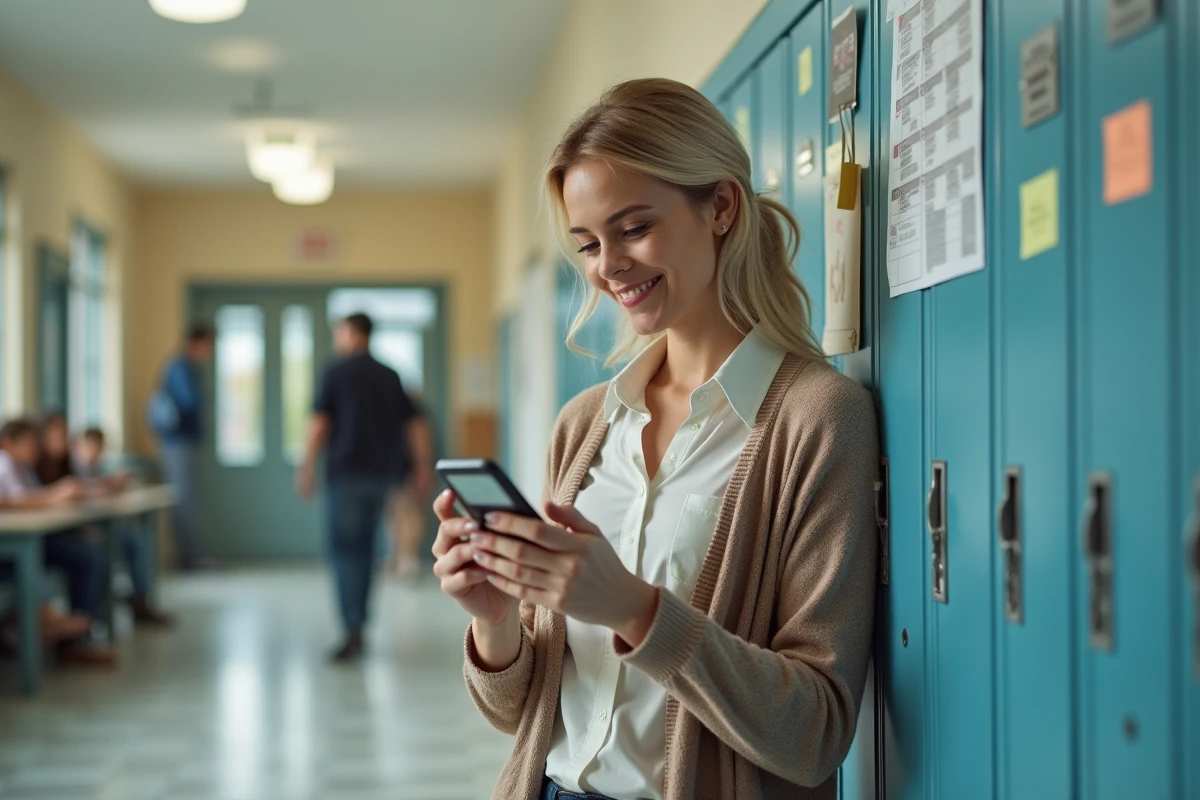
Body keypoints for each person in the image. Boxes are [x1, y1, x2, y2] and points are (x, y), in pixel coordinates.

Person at [432, 78, 879, 800]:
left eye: (633, 228)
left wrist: (635, 610)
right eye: (587, 243)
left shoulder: (818, 420)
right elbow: (520, 713)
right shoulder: (585, 425)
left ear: (721, 208)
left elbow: (816, 732)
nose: (607, 267)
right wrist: (494, 624)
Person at [296, 313, 434, 662]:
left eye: (340, 332)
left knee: (345, 551)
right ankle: (359, 624)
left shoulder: (336, 371)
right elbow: (415, 425)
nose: (337, 339)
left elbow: (319, 423)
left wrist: (306, 466)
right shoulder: (390, 375)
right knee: (368, 549)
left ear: (353, 334)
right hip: (382, 476)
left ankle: (352, 628)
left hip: (345, 475)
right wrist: (421, 466)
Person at [0, 418, 116, 665]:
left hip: (35, 536)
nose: (35, 449)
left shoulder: (25, 468)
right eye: (29, 444)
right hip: (18, 542)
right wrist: (55, 496)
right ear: (9, 444)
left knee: (90, 553)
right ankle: (59, 627)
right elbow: (13, 501)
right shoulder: (5, 464)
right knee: (82, 557)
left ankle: (76, 634)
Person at [74, 427, 173, 626]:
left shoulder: (99, 468)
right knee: (98, 554)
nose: (95, 451)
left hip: (99, 525)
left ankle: (140, 601)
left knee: (136, 539)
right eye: (91, 445)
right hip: (81, 530)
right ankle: (91, 619)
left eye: (99, 447)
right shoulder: (72, 466)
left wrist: (113, 484)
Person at [152, 323, 215, 570]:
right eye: (208, 345)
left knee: (189, 500)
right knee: (184, 502)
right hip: (178, 444)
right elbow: (191, 402)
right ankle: (188, 559)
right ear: (196, 343)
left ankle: (191, 556)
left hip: (185, 443)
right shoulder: (180, 367)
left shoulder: (187, 367)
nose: (209, 352)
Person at [384, 396, 434, 578]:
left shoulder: (408, 404)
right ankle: (397, 557)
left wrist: (422, 468)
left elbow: (419, 433)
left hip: (405, 470)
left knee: (409, 516)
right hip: (386, 471)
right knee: (393, 517)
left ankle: (408, 559)